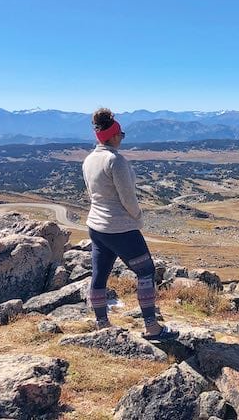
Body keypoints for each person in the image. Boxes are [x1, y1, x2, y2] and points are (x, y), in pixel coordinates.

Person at [82, 107, 177, 340]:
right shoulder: (115, 160)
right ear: (114, 135)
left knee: (99, 274)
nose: (122, 139)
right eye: (121, 135)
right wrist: (137, 217)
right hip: (120, 227)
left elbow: (92, 193)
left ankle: (102, 324)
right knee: (146, 271)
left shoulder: (89, 159)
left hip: (96, 226)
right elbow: (128, 198)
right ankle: (152, 327)